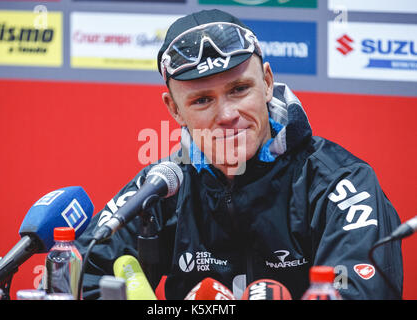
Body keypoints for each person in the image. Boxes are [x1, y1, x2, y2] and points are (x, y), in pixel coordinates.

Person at [75, 9, 403, 300]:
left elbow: (362, 292)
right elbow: (81, 277)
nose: (228, 113)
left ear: (267, 82)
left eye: (239, 89)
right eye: (202, 100)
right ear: (174, 109)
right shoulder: (163, 187)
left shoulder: (340, 182)